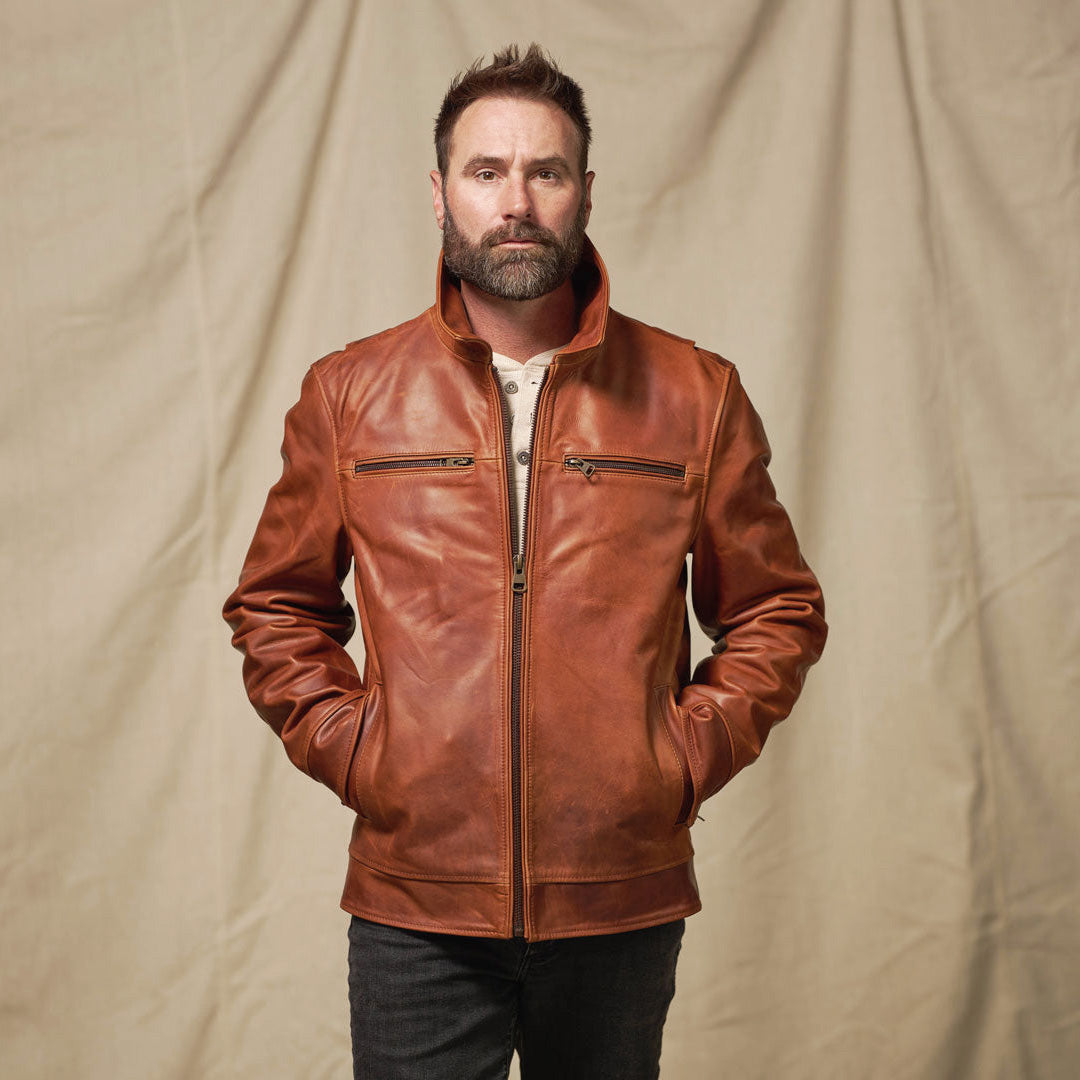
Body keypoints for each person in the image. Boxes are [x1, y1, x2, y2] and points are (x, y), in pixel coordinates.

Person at [222, 43, 827, 1080]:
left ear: (584, 192)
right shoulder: (349, 394)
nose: (517, 202)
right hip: (416, 899)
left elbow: (777, 609)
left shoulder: (695, 392)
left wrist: (675, 758)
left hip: (619, 892)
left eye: (545, 173)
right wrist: (364, 752)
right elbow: (276, 607)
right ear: (440, 192)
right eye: (486, 172)